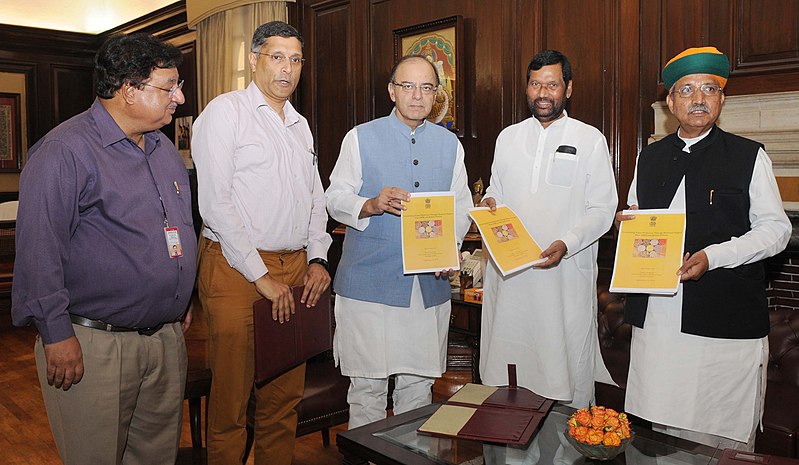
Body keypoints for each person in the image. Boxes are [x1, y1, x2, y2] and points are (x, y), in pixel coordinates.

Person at [11, 33, 195, 465]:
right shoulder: (64, 151)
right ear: (129, 90)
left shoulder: (163, 149)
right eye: (169, 87)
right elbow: (40, 252)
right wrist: (56, 335)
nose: (180, 98)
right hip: (94, 344)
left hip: (165, 341)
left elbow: (177, 229)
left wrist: (180, 297)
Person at [618, 46, 791, 450]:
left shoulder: (749, 156)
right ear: (670, 103)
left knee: (718, 439)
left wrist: (715, 256)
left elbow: (777, 230)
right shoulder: (649, 157)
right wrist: (628, 223)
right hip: (659, 320)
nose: (698, 98)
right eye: (687, 90)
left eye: (709, 89)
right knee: (658, 435)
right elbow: (636, 214)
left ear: (721, 99)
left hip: (723, 320)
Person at [191, 21, 331, 465]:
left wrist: (319, 258)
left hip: (295, 269)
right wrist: (262, 276)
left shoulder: (300, 125)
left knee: (282, 397)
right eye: (276, 57)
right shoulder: (224, 112)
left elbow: (315, 199)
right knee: (231, 401)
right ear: (253, 60)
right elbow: (216, 205)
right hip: (235, 269)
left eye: (295, 60)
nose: (287, 69)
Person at [479, 50, 617, 462]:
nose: (543, 93)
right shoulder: (508, 137)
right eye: (536, 83)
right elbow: (496, 193)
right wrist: (489, 202)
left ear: (568, 89)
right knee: (510, 374)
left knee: (565, 371)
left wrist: (567, 242)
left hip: (563, 280)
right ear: (527, 87)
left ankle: (566, 456)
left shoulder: (590, 138)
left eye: (552, 84)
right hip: (512, 279)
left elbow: (603, 209)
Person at [325, 55, 472, 429]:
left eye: (427, 87)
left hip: (426, 290)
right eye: (408, 86)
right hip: (367, 287)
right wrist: (371, 203)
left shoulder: (450, 145)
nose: (418, 96)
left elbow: (460, 207)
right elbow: (334, 198)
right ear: (392, 91)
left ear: (436, 94)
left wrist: (450, 247)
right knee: (367, 389)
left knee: (417, 389)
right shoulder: (360, 137)